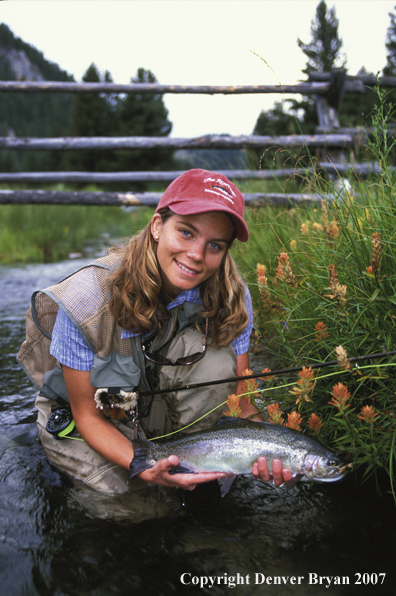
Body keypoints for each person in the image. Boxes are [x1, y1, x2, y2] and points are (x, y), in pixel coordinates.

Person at [18, 169, 292, 495]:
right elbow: (87, 415)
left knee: (221, 368)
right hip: (91, 413)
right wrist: (146, 466)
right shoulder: (85, 298)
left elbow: (242, 405)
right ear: (158, 226)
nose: (197, 255)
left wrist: (271, 452)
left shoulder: (233, 297)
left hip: (148, 405)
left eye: (215, 245)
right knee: (134, 508)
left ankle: (176, 453)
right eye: (187, 232)